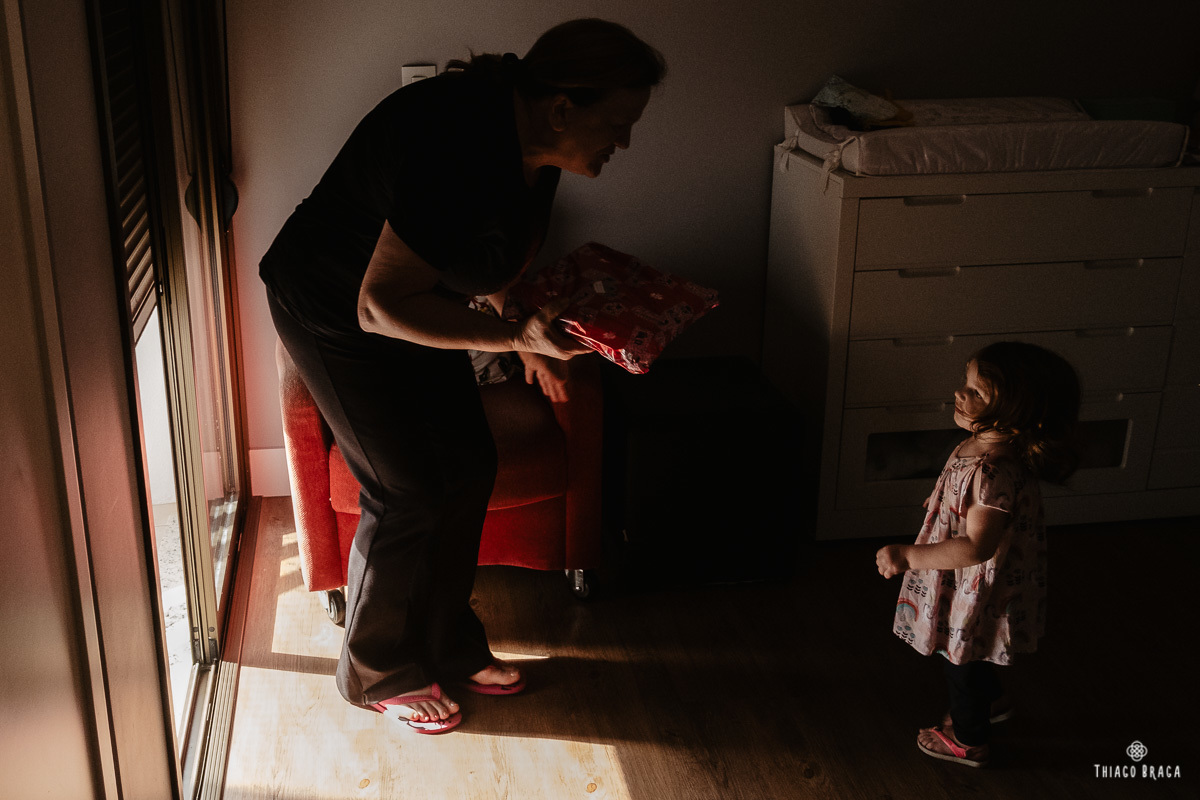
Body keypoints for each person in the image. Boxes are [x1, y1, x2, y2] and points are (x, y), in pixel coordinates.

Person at [260, 18, 666, 734]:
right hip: (332, 304)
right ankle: (375, 668)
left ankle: (446, 640)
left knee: (469, 462)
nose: (625, 142)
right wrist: (513, 335)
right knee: (407, 485)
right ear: (563, 107)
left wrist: (527, 337)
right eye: (620, 123)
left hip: (415, 301)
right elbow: (378, 306)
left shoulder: (535, 148)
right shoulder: (457, 142)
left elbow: (490, 258)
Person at [875, 341, 1081, 766]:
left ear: (1018, 414)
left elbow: (977, 546)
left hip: (974, 583)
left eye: (977, 392)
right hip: (962, 576)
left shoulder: (993, 471)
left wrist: (909, 556)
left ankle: (969, 739)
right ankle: (993, 703)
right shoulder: (977, 446)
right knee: (968, 647)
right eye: (966, 384)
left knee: (958, 663)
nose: (961, 394)